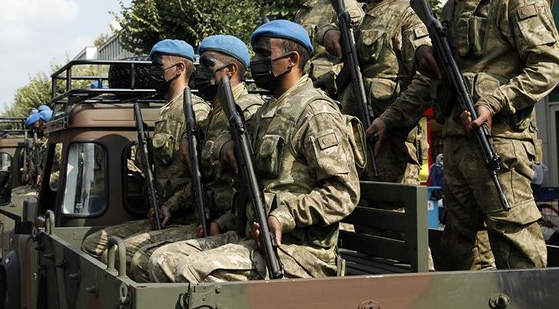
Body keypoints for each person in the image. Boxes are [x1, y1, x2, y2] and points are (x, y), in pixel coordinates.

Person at [368, 0, 559, 270]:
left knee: (517, 246)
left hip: (501, 143)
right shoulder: (454, 3)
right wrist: (388, 119)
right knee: (462, 250)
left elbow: (548, 64)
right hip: (458, 146)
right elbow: (432, 82)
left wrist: (495, 102)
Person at [149, 20, 361, 282]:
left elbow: (343, 192)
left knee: (191, 271)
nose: (256, 62)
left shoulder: (316, 112)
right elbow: (252, 183)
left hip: (302, 251)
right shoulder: (266, 112)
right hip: (254, 238)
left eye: (264, 54)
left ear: (292, 60)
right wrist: (224, 223)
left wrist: (284, 216)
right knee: (162, 260)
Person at [126, 35, 264, 282]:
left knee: (153, 261)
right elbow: (202, 180)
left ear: (231, 70)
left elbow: (256, 185)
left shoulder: (248, 111)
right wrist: (172, 205)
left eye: (207, 65)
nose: (199, 72)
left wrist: (224, 221)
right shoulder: (212, 115)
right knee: (136, 257)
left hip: (234, 225)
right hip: (209, 220)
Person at [81, 39, 210, 265]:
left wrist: (171, 205)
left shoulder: (194, 112)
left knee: (119, 254)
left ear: (179, 68)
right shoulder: (166, 111)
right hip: (163, 215)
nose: (152, 72)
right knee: (94, 244)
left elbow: (203, 178)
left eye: (158, 66)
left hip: (187, 218)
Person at [333, 0, 430, 184]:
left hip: (393, 148)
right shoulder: (363, 18)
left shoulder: (410, 15)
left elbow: (426, 81)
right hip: (356, 145)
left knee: (394, 208)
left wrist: (388, 119)